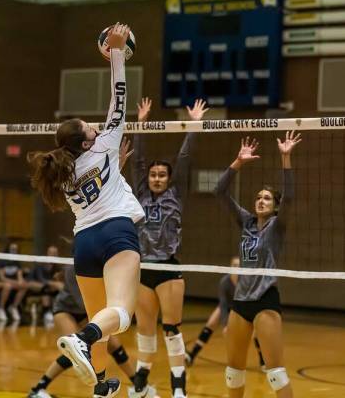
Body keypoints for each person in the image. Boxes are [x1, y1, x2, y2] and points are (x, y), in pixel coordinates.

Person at [28, 23, 145, 398]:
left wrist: (116, 167)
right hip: (116, 234)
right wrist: (115, 53)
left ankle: (101, 388)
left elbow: (94, 189)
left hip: (85, 245)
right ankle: (80, 339)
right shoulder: (105, 144)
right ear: (86, 140)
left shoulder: (62, 172)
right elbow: (119, 96)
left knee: (101, 321)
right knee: (120, 317)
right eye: (91, 128)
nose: (98, 127)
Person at [128, 96, 208, 398]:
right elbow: (137, 159)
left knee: (171, 329)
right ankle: (142, 377)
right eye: (153, 175)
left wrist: (194, 126)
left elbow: (185, 159)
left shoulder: (176, 194)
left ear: (169, 179)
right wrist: (141, 124)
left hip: (168, 268)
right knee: (145, 330)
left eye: (162, 175)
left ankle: (178, 387)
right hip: (142, 268)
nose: (157, 178)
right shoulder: (139, 192)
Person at [215, 133, 301, 398]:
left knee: (275, 373)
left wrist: (285, 157)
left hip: (265, 300)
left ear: (275, 207)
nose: (261, 200)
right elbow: (219, 191)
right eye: (258, 197)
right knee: (234, 370)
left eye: (267, 198)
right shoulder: (246, 222)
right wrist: (238, 162)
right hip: (241, 301)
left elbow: (290, 198)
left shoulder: (277, 227)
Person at [28, 265, 139, 398]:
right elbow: (84, 302)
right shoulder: (75, 266)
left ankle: (139, 386)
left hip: (89, 312)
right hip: (66, 310)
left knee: (114, 346)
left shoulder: (107, 262)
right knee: (74, 352)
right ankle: (37, 389)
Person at [185, 256, 265, 369]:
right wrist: (226, 325)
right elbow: (223, 304)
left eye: (239, 266)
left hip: (244, 307)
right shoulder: (225, 282)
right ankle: (192, 355)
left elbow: (251, 301)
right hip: (229, 306)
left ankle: (263, 360)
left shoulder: (246, 282)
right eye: (234, 265)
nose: (237, 268)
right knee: (211, 322)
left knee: (255, 331)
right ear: (230, 267)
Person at [27, 245, 65, 327]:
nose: (53, 255)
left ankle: (56, 311)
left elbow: (59, 280)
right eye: (51, 253)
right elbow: (41, 279)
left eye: (55, 253)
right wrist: (54, 283)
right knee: (47, 288)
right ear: (47, 253)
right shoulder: (41, 264)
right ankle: (46, 312)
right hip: (34, 285)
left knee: (59, 288)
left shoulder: (58, 266)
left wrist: (57, 279)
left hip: (49, 288)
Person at [0, 242, 28, 322]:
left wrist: (21, 281)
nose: (14, 251)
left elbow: (20, 276)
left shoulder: (17, 261)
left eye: (15, 249)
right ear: (8, 249)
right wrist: (16, 282)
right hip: (0, 282)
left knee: (24, 286)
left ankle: (13, 307)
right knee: (7, 286)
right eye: (12, 249)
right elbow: (2, 278)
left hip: (13, 282)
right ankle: (0, 308)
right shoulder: (2, 260)